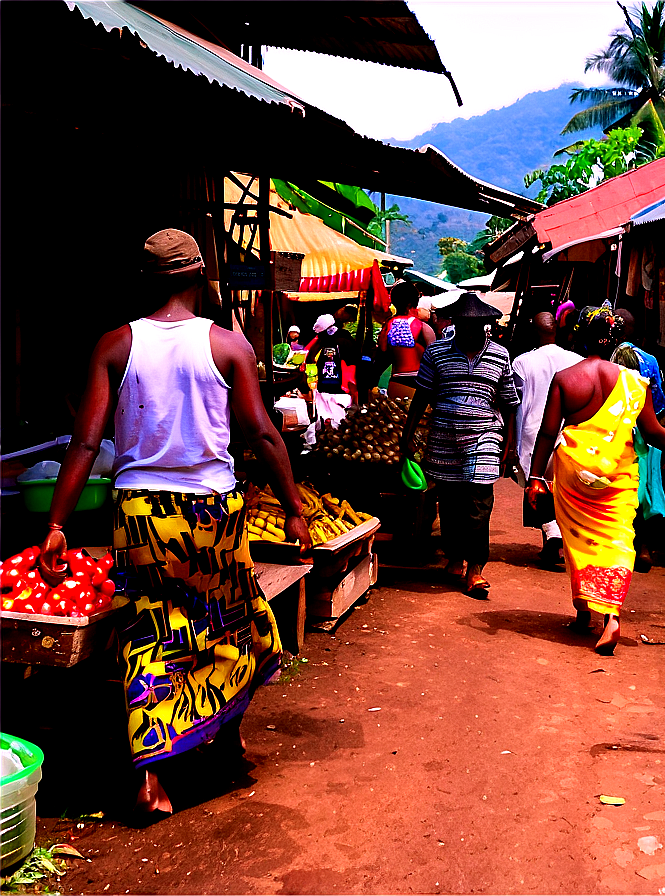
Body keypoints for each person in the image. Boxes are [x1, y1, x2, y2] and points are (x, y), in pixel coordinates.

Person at [38, 229, 312, 819]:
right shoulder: (227, 346)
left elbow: (86, 441)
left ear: (147, 280)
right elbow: (263, 434)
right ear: (199, 274)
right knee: (235, 625)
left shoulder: (115, 344)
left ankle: (151, 779)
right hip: (210, 512)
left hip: (140, 514)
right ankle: (228, 741)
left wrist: (58, 522)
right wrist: (292, 506)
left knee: (151, 636)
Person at [525, 304, 665, 655]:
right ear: (613, 339)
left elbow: (548, 433)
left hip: (575, 475)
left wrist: (536, 477)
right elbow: (652, 431)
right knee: (619, 541)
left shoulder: (565, 379)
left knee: (578, 541)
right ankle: (610, 615)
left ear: (578, 336)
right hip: (617, 477)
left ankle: (583, 610)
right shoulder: (633, 382)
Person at [399, 292, 519, 597]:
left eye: (476, 325)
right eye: (464, 324)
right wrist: (407, 434)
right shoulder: (436, 353)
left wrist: (511, 445)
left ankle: (476, 569)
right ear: (456, 323)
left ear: (486, 326)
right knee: (450, 501)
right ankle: (454, 556)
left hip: (484, 436)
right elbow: (422, 396)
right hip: (444, 437)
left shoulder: (500, 355)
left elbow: (509, 403)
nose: (469, 330)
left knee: (479, 501)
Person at [510, 312, 582, 565]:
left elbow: (514, 403)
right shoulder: (576, 360)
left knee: (537, 486)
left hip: (532, 432)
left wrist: (510, 444)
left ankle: (552, 535)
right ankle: (556, 542)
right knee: (561, 489)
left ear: (535, 332)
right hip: (568, 434)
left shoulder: (522, 362)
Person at [612, 308, 665, 572]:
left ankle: (622, 547)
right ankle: (644, 547)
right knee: (645, 490)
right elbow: (658, 404)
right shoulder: (650, 360)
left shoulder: (606, 359)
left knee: (620, 489)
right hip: (648, 432)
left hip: (615, 433)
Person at [378, 280, 435, 399]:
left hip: (395, 381)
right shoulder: (422, 327)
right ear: (413, 302)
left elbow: (382, 350)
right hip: (418, 382)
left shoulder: (387, 326)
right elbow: (434, 359)